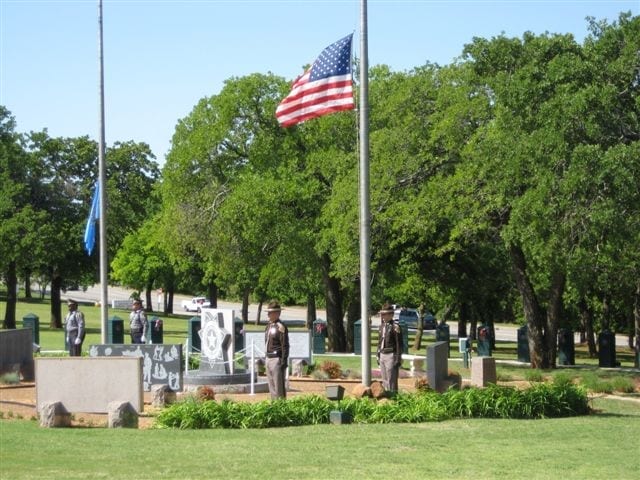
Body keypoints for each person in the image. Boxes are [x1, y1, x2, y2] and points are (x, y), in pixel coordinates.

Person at [264, 301, 290, 399]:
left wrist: (283, 361)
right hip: (268, 357)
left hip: (276, 359)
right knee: (271, 387)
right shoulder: (268, 326)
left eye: (270, 312)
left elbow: (285, 345)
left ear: (277, 313)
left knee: (279, 388)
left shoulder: (281, 327)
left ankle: (281, 408)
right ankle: (274, 407)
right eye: (268, 312)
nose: (268, 314)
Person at [376, 302, 403, 393]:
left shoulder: (395, 327)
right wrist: (378, 354)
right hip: (382, 354)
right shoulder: (381, 326)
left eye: (384, 314)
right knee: (384, 379)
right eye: (382, 314)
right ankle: (387, 398)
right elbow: (379, 342)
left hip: (391, 355)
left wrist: (397, 358)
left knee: (391, 379)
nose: (383, 316)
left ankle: (393, 398)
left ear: (391, 315)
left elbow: (399, 344)